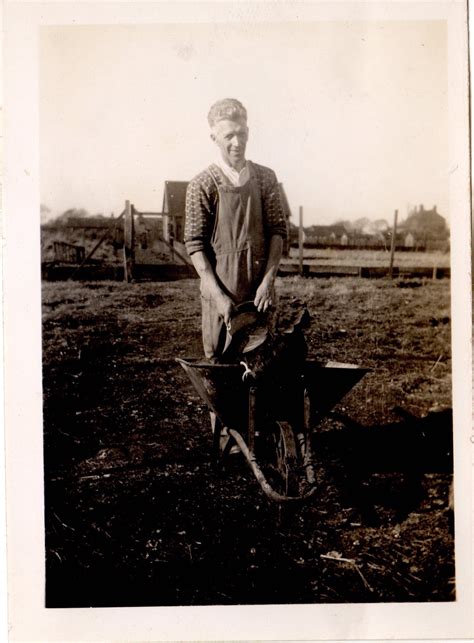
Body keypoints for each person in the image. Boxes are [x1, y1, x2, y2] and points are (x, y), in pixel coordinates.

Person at [184, 98, 288, 361]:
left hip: (260, 298)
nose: (237, 142)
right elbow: (195, 246)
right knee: (223, 373)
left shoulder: (265, 178)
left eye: (241, 134)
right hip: (222, 300)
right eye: (229, 135)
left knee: (264, 370)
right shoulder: (202, 184)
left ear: (249, 132)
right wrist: (218, 297)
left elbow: (278, 231)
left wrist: (268, 282)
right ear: (214, 137)